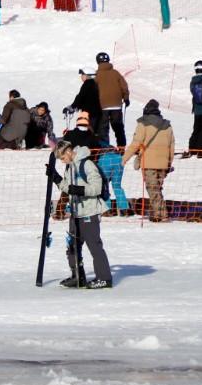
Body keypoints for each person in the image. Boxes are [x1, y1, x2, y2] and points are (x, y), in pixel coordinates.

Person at [51, 141, 113, 288]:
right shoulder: (70, 167)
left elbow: (96, 188)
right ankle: (78, 276)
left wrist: (79, 190)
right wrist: (56, 179)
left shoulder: (87, 165)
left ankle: (104, 278)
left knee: (94, 246)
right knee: (72, 246)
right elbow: (68, 188)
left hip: (89, 212)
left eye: (62, 158)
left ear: (68, 151)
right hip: (75, 213)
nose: (62, 161)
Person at [124, 100, 174, 222]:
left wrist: (124, 158)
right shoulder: (167, 125)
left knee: (153, 190)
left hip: (149, 163)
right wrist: (169, 163)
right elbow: (171, 146)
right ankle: (155, 214)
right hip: (163, 163)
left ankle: (162, 214)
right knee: (157, 189)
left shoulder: (143, 124)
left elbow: (136, 143)